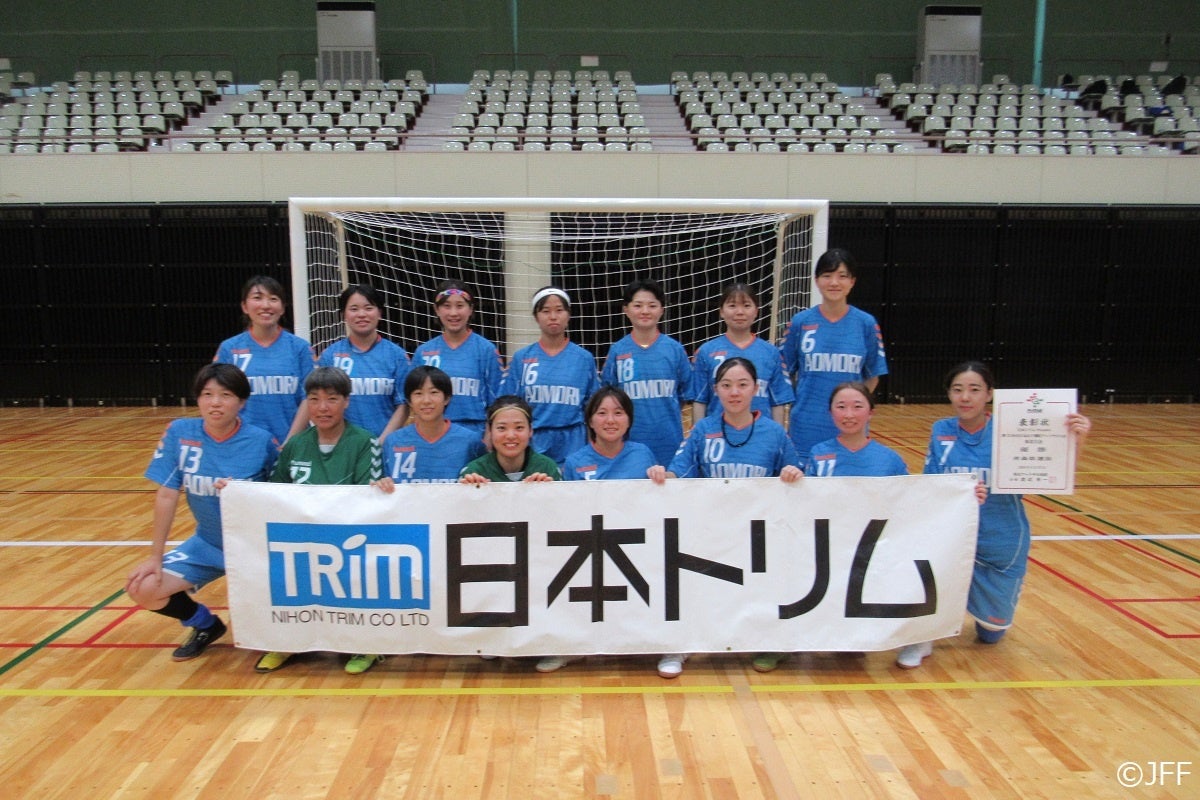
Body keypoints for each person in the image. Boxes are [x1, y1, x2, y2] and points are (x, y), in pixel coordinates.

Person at [903, 361, 1092, 669]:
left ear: (989, 394)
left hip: (1000, 539)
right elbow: (932, 485)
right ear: (949, 394)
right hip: (953, 536)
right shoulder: (942, 430)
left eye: (974, 390)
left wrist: (1076, 440)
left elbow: (1051, 474)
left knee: (990, 633)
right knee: (927, 571)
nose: (965, 397)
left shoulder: (1013, 430)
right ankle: (923, 635)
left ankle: (987, 611)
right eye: (957, 390)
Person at [649, 357, 802, 678]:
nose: (735, 392)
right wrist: (663, 475)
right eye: (727, 385)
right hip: (711, 531)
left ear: (755, 389)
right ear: (716, 389)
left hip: (758, 536)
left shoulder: (774, 434)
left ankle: (770, 644)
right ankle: (680, 644)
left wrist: (793, 473)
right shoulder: (702, 431)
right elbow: (680, 471)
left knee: (764, 586)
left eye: (742, 385)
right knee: (690, 584)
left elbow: (797, 476)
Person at [751, 381, 909, 673]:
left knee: (851, 645)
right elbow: (804, 502)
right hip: (822, 549)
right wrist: (793, 477)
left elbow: (914, 503)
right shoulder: (819, 454)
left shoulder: (890, 460)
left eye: (857, 406)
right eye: (841, 407)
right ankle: (781, 644)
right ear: (830, 413)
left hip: (867, 553)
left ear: (871, 412)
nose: (849, 414)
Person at [125, 363, 277, 663]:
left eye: (226, 395)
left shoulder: (261, 441)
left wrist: (243, 493)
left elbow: (282, 497)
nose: (215, 403)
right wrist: (155, 557)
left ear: (242, 402)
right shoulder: (180, 432)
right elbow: (167, 494)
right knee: (143, 587)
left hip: (255, 547)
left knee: (266, 633)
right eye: (207, 394)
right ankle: (205, 625)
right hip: (208, 544)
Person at [254, 366, 386, 675]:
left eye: (332, 399)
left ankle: (365, 644)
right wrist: (234, 491)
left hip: (349, 540)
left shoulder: (365, 442)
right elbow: (275, 494)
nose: (322, 407)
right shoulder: (296, 445)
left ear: (346, 402)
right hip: (304, 540)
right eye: (314, 399)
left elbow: (365, 501)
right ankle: (287, 642)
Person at [536, 386, 657, 673]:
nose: (610, 420)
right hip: (590, 550)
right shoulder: (575, 462)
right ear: (590, 420)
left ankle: (664, 646)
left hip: (635, 547)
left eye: (618, 413)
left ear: (629, 419)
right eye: (602, 413)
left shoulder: (643, 455)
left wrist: (662, 477)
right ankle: (571, 648)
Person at [779, 248, 888, 461]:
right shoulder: (801, 322)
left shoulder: (866, 323)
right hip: (806, 427)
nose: (834, 282)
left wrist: (853, 406)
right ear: (816, 280)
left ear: (852, 281)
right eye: (827, 275)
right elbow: (783, 373)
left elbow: (873, 375)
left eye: (842, 276)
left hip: (851, 428)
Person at [499, 287, 599, 465]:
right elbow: (507, 405)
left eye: (559, 310)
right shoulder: (522, 358)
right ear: (536, 316)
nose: (553, 316)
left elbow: (594, 408)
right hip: (534, 441)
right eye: (546, 311)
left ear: (568, 315)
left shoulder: (584, 359)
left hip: (573, 441)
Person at [600, 279, 694, 465]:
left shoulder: (674, 350)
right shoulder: (618, 351)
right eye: (638, 305)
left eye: (652, 305)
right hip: (627, 447)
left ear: (662, 310)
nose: (645, 311)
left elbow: (687, 397)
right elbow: (607, 397)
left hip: (669, 445)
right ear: (626, 309)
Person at [213, 275, 314, 443]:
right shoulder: (229, 349)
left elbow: (309, 397)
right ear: (244, 306)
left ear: (282, 308)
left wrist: (289, 443)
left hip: (292, 445)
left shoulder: (300, 348)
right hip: (244, 444)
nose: (265, 305)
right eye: (257, 298)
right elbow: (219, 398)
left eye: (273, 299)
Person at [315, 283, 411, 440]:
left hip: (383, 445)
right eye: (354, 309)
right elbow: (321, 404)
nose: (361, 314)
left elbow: (403, 405)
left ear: (379, 313)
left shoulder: (397, 356)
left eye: (368, 308)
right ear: (343, 315)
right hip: (341, 445)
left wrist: (381, 443)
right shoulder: (330, 356)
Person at [412, 280, 505, 439]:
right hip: (433, 433)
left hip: (475, 435)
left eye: (460, 306)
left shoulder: (486, 350)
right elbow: (413, 402)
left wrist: (489, 438)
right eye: (447, 306)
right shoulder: (423, 352)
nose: (453, 313)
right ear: (437, 310)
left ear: (471, 309)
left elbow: (498, 402)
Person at [691, 282, 793, 426]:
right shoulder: (706, 352)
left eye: (746, 305)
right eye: (732, 305)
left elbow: (778, 402)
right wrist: (699, 435)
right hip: (718, 434)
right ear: (721, 311)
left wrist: (778, 436)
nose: (740, 312)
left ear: (756, 311)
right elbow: (699, 400)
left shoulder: (771, 353)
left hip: (760, 435)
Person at [376, 365, 486, 487]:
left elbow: (483, 485)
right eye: (418, 393)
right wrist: (382, 484)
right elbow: (383, 483)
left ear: (447, 398)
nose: (426, 400)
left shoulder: (470, 441)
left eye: (434, 392)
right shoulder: (393, 441)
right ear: (409, 401)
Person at [459, 395, 562, 483]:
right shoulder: (474, 471)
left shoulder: (547, 468)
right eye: (501, 428)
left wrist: (548, 491)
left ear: (530, 430)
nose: (510, 436)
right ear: (490, 431)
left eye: (519, 427)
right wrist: (468, 492)